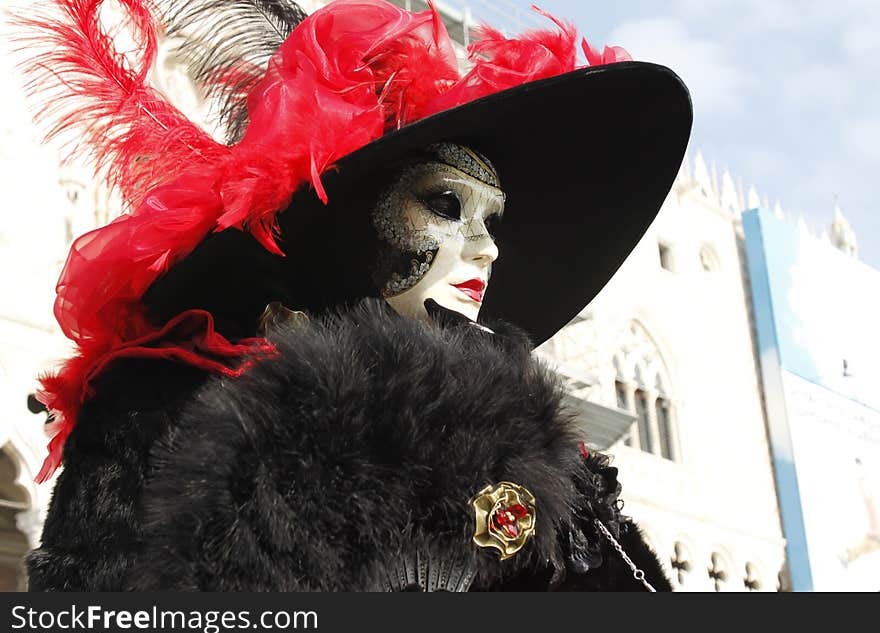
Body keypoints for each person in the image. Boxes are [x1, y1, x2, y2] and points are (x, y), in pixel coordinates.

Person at [18, 0, 691, 591]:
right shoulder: (169, 391)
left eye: (492, 223)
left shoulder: (523, 436)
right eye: (445, 205)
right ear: (356, 223)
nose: (484, 248)